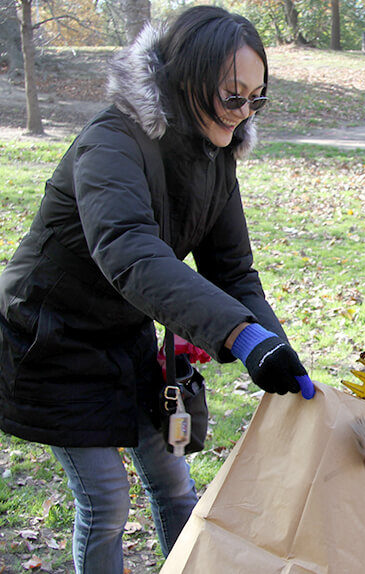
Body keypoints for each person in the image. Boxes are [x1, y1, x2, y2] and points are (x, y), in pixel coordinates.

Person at [0, 6, 315, 574]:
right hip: (52, 340)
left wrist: (275, 348)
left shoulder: (215, 156)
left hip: (126, 338)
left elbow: (234, 272)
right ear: (186, 79)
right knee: (105, 500)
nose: (243, 113)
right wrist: (240, 336)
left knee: (174, 486)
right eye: (231, 96)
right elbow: (130, 251)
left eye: (256, 99)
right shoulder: (111, 142)